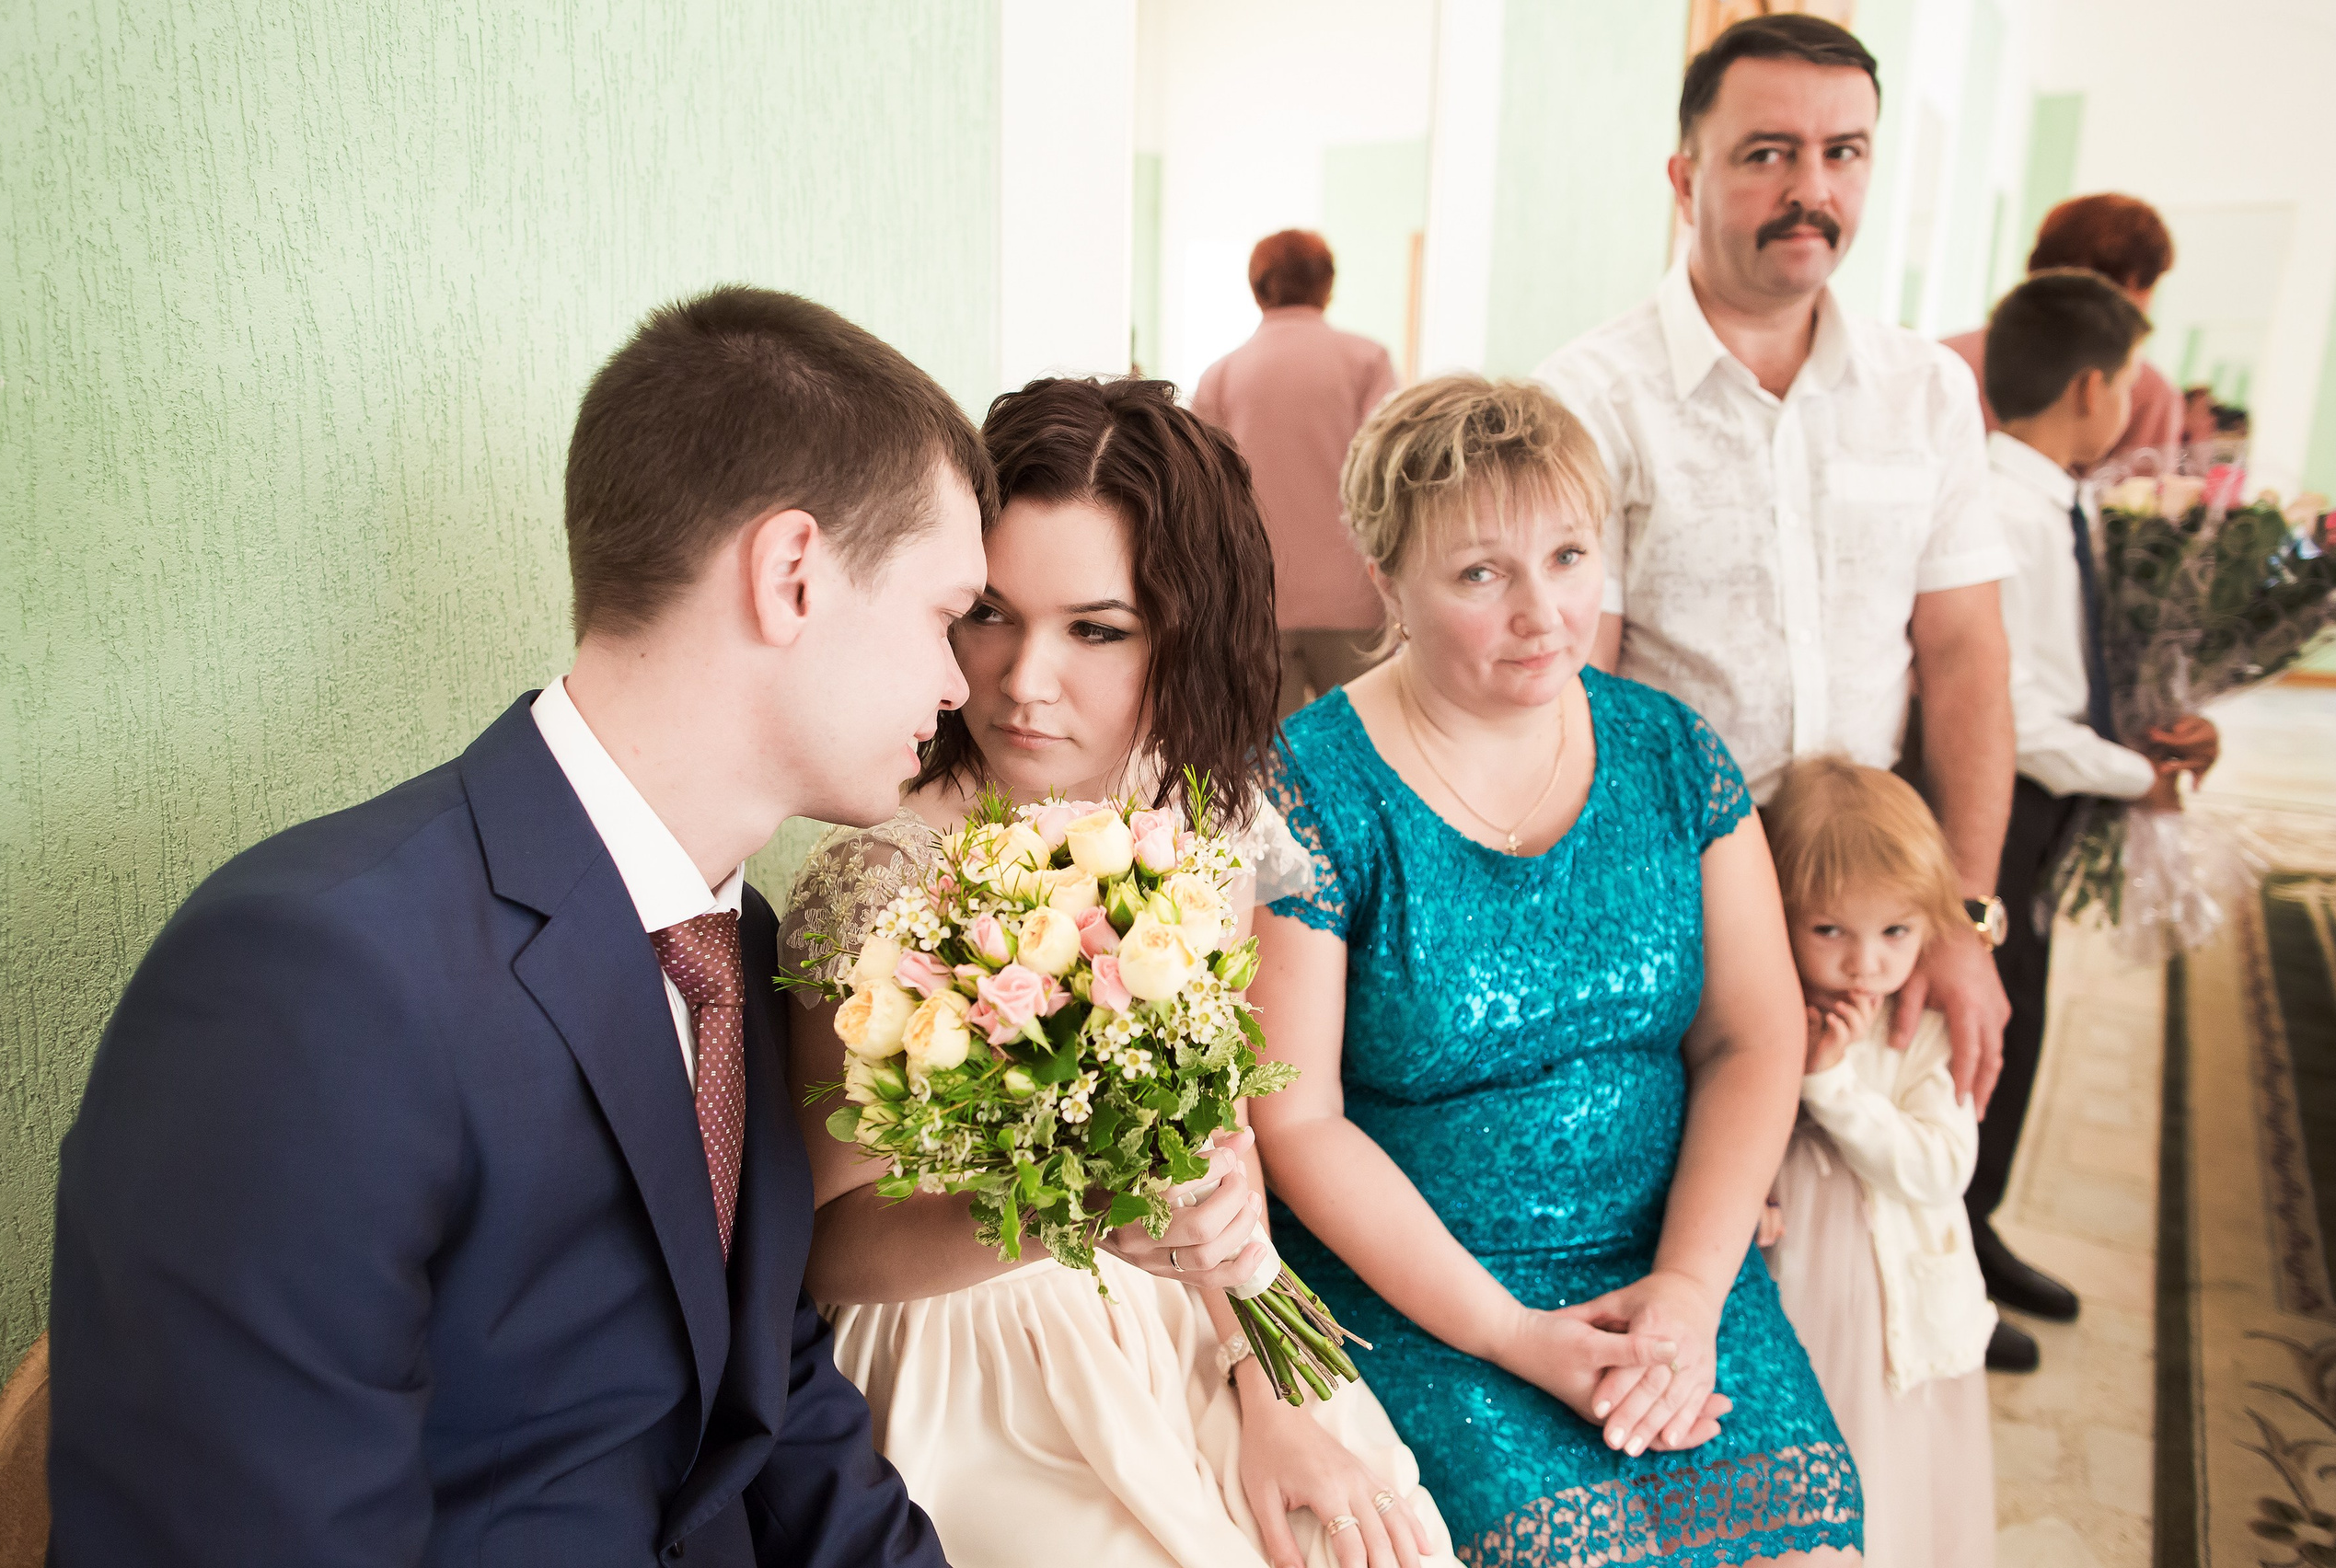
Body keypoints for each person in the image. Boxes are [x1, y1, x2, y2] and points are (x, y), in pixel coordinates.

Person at [48, 288, 990, 1566]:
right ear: (793, 576)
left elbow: (774, 1409)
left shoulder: (741, 946)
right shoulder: (313, 978)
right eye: (946, 615)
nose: (957, 682)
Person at [780, 375, 1450, 1568]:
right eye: (992, 613)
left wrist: (1263, 1381)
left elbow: (1211, 1128)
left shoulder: (1193, 826)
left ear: (1181, 635)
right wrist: (1069, 1214)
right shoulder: (877, 881)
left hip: (1189, 1304)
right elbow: (829, 1246)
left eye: (1097, 628)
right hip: (964, 1348)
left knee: (1378, 1527)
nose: (1027, 679)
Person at [1248, 374, 1864, 1566]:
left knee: (1808, 1552)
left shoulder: (1674, 751)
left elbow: (1753, 1037)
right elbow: (1298, 1118)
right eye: (1482, 573)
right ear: (1387, 585)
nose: (1544, 614)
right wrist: (1513, 1334)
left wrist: (1689, 1285)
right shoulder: (1310, 787)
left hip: (1673, 1265)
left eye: (1570, 556)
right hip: (1429, 1299)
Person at [1536, 13, 2018, 1136]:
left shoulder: (1926, 390)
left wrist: (1961, 916)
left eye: (1842, 152)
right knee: (1716, 1229)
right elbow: (1572, 699)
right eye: (1766, 154)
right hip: (1684, 898)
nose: (1811, 187)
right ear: (1684, 174)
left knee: (1880, 1208)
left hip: (1879, 910)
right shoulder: (1591, 397)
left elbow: (1963, 658)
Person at [1977, 268, 2218, 1361]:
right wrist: (2135, 775)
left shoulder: (2058, 499)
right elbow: (2011, 713)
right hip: (2006, 794)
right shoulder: (2002, 511)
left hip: (2055, 792)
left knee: (2023, 1019)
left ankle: (1978, 1229)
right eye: (2127, 380)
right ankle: (1951, 1246)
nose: (2132, 401)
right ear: (2089, 387)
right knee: (1988, 1022)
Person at [1756, 756, 1998, 1568]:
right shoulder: (1769, 1011)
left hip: (1890, 1306)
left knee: (1885, 1462)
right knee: (1797, 1435)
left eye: (1895, 932)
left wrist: (1831, 1087)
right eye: (1831, 932)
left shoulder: (1918, 1032)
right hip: (1795, 1277)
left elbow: (1937, 1167)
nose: (1866, 964)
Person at [1193, 229, 1400, 719]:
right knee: (1361, 754)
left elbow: (1200, 496)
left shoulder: (1222, 375)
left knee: (1269, 769)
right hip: (1356, 598)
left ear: (1256, 287)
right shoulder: (1367, 362)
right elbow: (1394, 473)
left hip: (1257, 602)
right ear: (1328, 285)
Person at [1943, 193, 2184, 471]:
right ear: (2131, 286)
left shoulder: (1945, 357)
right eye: (2150, 285)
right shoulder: (2145, 390)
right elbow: (2140, 504)